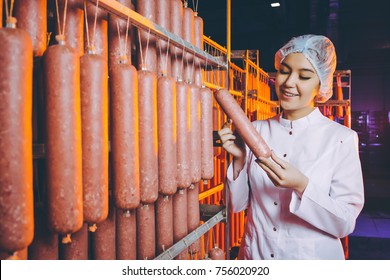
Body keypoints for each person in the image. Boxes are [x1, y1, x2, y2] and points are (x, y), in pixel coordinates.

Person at [218, 34, 364, 260]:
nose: (288, 83)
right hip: (257, 256)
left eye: (304, 76)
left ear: (321, 85)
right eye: (285, 71)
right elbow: (235, 207)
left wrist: (302, 185)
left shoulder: (341, 138)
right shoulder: (255, 130)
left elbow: (344, 222)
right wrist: (238, 160)